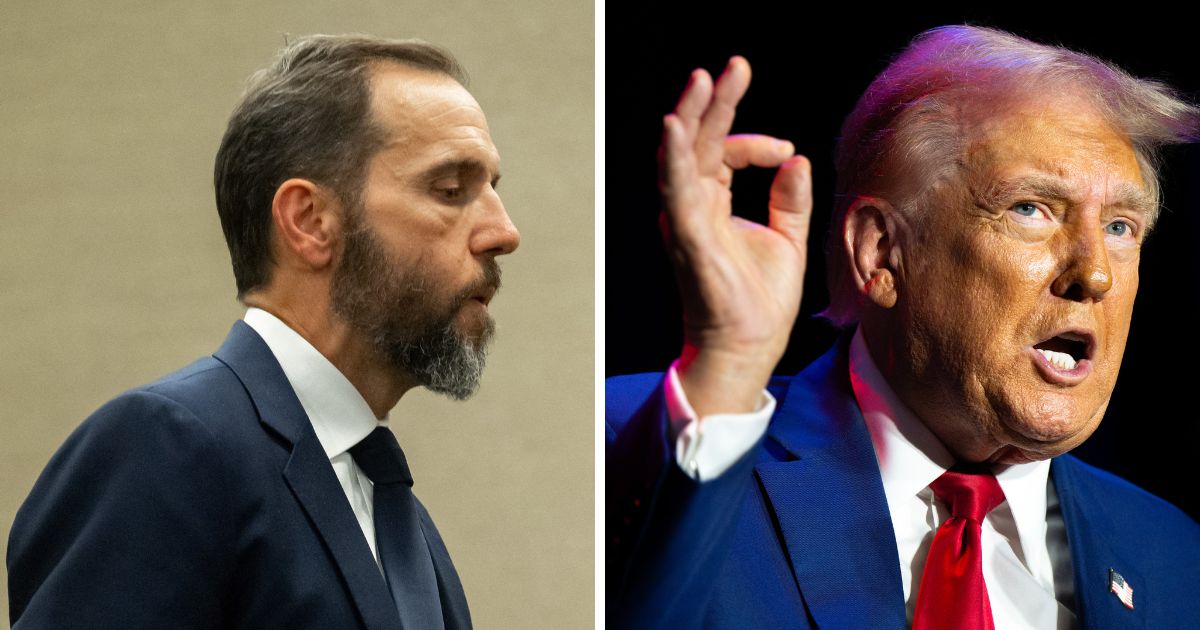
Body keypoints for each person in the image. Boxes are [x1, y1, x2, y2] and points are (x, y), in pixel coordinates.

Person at [607, 25, 1200, 629]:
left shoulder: (1172, 556)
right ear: (883, 252)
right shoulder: (641, 450)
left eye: (1122, 227)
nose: (1095, 274)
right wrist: (727, 364)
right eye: (1030, 209)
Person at [8, 34, 519, 629]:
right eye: (450, 190)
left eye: (492, 191)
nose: (503, 232)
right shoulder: (166, 450)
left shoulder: (399, 516)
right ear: (309, 222)